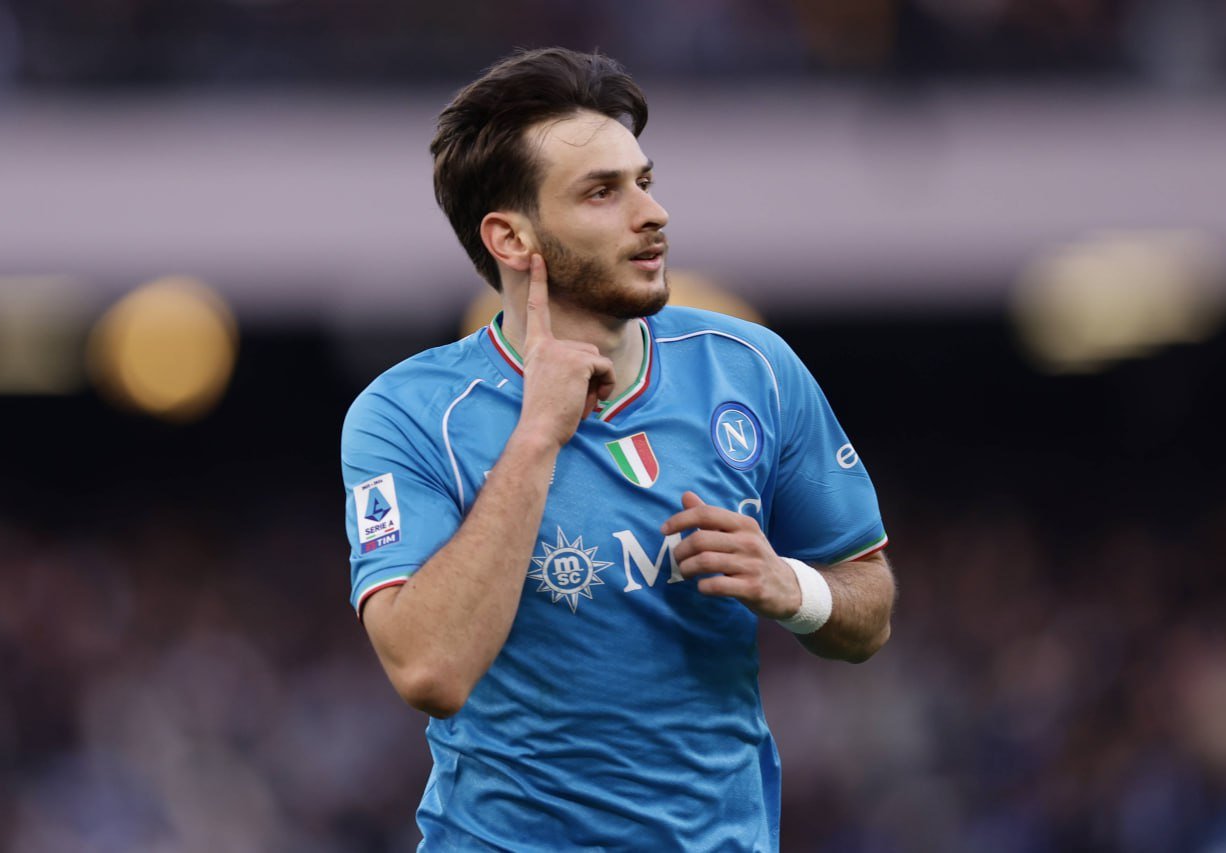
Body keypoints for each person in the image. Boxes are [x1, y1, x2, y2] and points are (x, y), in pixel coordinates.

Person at [341, 46, 896, 851]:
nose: (653, 213)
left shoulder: (753, 368)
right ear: (510, 237)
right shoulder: (406, 414)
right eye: (602, 192)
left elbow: (868, 609)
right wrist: (537, 434)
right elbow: (430, 670)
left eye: (644, 181)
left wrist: (794, 586)